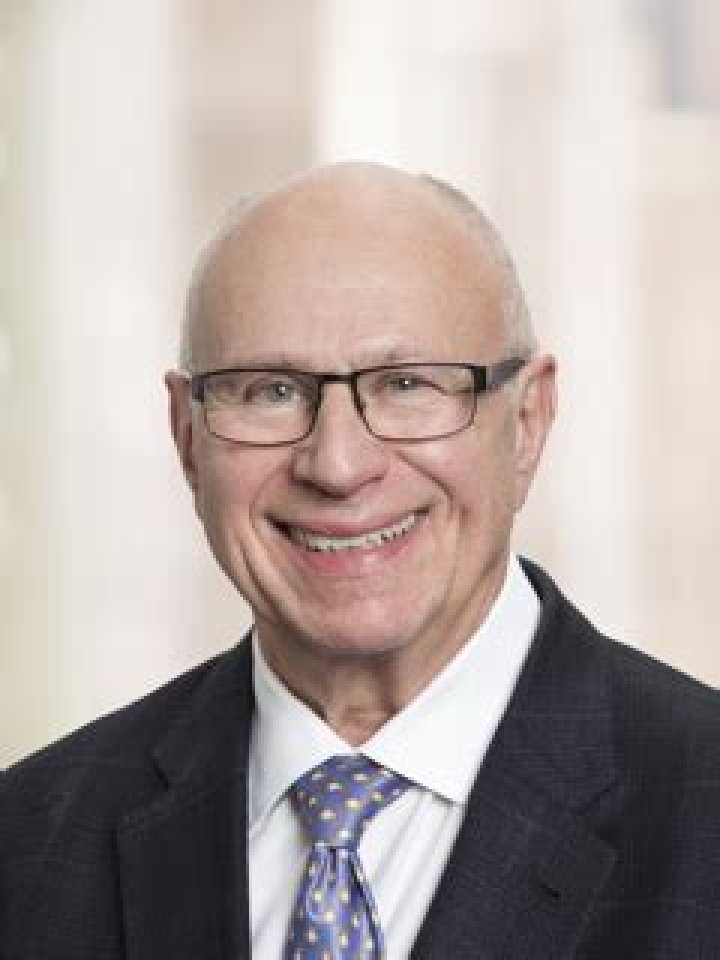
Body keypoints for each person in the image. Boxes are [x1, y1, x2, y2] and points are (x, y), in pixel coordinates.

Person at [1, 162, 718, 960]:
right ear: (186, 436)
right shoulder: (26, 847)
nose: (337, 466)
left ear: (528, 421)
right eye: (270, 391)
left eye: (407, 384)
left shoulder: (700, 810)